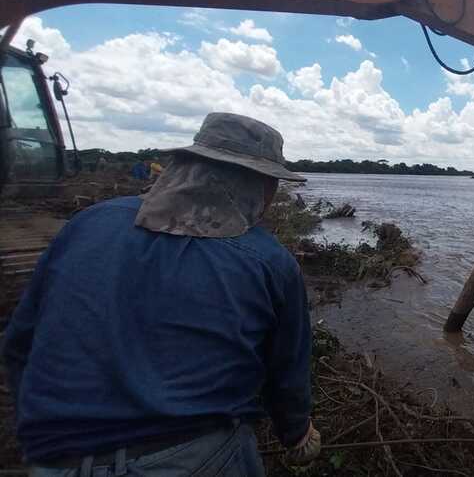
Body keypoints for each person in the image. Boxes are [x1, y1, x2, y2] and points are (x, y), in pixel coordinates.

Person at [2, 113, 318, 476]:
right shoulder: (269, 261)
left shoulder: (88, 223)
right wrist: (297, 436)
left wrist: (43, 427)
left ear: (183, 166)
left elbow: (19, 344)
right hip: (195, 460)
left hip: (54, 458)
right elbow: (286, 376)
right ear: (260, 186)